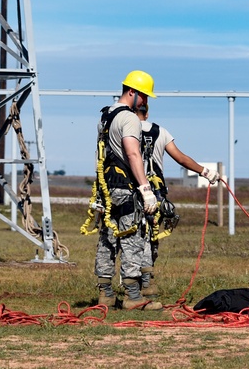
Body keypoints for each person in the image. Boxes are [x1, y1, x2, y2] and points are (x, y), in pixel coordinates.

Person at [91, 70, 163, 311]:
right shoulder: (129, 118)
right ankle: (133, 296)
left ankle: (106, 295)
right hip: (125, 188)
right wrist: (146, 189)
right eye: (143, 97)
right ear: (132, 92)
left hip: (106, 188)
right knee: (131, 239)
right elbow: (132, 153)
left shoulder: (106, 115)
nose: (145, 102)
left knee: (107, 240)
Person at [134, 104, 221, 299]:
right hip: (154, 193)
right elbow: (181, 158)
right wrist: (205, 172)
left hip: (130, 190)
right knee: (151, 236)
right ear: (147, 113)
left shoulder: (124, 130)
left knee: (129, 239)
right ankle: (146, 283)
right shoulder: (160, 132)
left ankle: (126, 285)